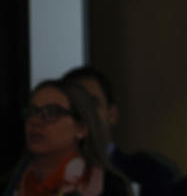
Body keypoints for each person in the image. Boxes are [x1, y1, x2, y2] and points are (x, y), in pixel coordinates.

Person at [1, 80, 129, 196]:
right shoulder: (9, 184)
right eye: (32, 112)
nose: (36, 121)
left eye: (52, 113)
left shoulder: (107, 188)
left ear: (81, 127)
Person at [61, 68, 175, 196]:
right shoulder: (45, 175)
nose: (83, 113)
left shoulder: (150, 172)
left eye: (92, 103)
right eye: (74, 106)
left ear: (112, 114)